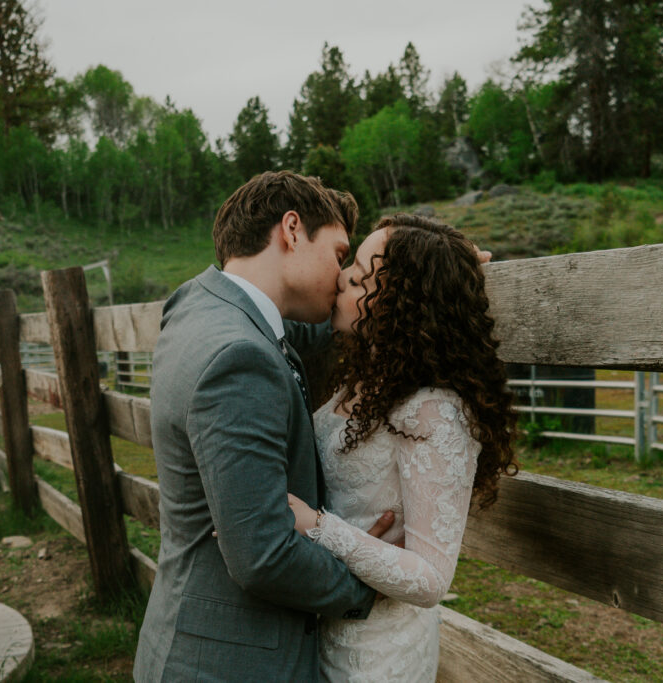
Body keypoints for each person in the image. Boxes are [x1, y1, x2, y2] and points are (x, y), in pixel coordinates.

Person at [135, 171, 395, 682]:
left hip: (184, 639)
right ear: (292, 229)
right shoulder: (240, 357)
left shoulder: (198, 304)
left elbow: (307, 328)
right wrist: (372, 583)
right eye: (339, 255)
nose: (343, 277)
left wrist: (430, 273)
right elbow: (265, 555)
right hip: (231, 665)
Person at [287, 213, 519, 681]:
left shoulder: (434, 412)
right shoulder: (365, 376)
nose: (340, 282)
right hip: (324, 621)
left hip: (378, 652)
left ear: (400, 302)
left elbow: (431, 578)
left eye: (358, 279)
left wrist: (315, 527)